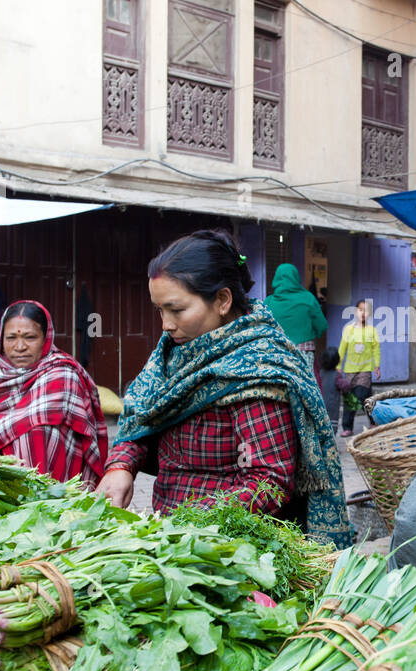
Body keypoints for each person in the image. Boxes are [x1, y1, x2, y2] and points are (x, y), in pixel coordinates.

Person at [95, 230, 350, 546]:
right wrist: (121, 466)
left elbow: (267, 484)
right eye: (159, 309)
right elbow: (142, 415)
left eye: (177, 310)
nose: (166, 324)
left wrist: (189, 522)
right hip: (170, 539)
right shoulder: (174, 352)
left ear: (222, 300)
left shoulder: (259, 373)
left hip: (230, 552)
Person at [0, 300, 108, 485]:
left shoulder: (62, 375)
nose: (20, 347)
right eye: (11, 338)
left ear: (46, 339)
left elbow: (39, 425)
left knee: (35, 431)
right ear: (0, 340)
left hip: (57, 485)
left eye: (30, 337)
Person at [263, 263, 328, 389]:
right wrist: (311, 332)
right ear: (296, 278)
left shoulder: (268, 301)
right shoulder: (308, 298)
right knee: (309, 389)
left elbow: (261, 328)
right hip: (304, 355)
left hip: (276, 355)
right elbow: (322, 325)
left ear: (276, 279)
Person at [337, 298, 380, 437]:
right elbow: (342, 348)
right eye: (360, 309)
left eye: (366, 310)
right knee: (353, 398)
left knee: (360, 395)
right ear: (356, 311)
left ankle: (372, 421)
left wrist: (377, 366)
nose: (363, 313)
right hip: (349, 371)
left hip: (365, 371)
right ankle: (349, 426)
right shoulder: (348, 330)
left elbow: (376, 349)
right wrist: (338, 365)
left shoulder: (372, 331)